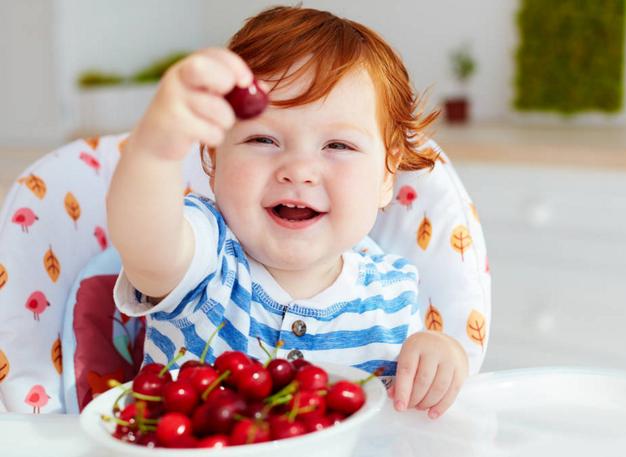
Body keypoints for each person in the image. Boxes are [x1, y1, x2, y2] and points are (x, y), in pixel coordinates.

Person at [108, 5, 469, 419]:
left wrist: (440, 358)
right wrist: (157, 149)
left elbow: (406, 427)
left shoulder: (391, 297)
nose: (298, 170)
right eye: (263, 138)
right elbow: (146, 245)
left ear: (387, 177)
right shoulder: (206, 259)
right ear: (213, 157)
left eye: (338, 146)